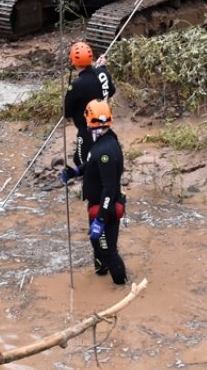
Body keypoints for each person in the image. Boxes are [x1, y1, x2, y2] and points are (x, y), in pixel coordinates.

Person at [62, 99, 128, 284]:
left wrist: (100, 219)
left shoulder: (105, 152)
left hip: (105, 208)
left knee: (108, 250)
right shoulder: (103, 140)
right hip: (97, 205)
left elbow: (109, 188)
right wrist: (75, 171)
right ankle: (101, 273)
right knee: (97, 244)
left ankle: (121, 285)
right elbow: (91, 164)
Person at [62, 41, 114, 168]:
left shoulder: (76, 85)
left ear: (72, 61)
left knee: (80, 161)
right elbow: (111, 91)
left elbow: (66, 112)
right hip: (105, 126)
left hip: (87, 130)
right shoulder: (103, 73)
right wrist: (102, 68)